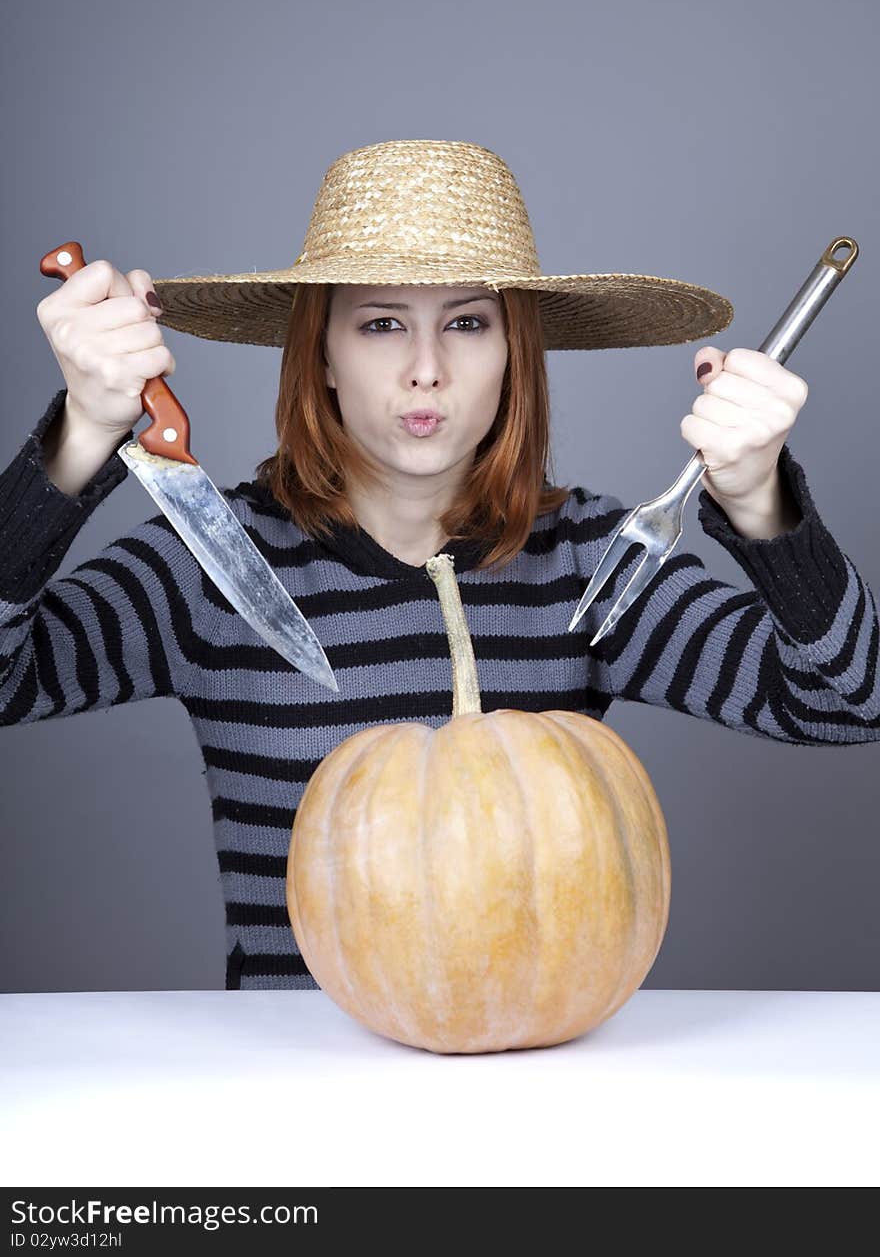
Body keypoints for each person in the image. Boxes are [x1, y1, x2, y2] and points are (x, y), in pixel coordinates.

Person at [1, 139, 877, 992]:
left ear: (513, 357)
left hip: (536, 1080)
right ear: (324, 358)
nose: (427, 370)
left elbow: (852, 703)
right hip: (276, 1094)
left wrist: (761, 501)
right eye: (382, 324)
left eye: (467, 323)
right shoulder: (207, 571)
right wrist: (81, 435)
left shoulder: (589, 569)